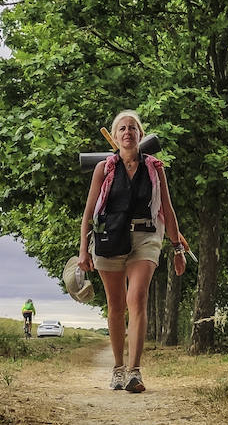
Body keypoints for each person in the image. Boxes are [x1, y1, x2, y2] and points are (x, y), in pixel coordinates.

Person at [79, 110, 187, 393]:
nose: (128, 132)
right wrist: (83, 252)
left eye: (133, 128)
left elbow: (166, 207)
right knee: (116, 305)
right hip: (109, 237)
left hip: (145, 236)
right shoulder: (105, 169)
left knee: (136, 297)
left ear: (140, 135)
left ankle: (134, 372)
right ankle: (117, 368)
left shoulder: (155, 167)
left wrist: (177, 247)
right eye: (122, 129)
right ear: (115, 137)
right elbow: (89, 212)